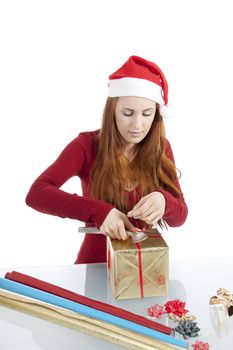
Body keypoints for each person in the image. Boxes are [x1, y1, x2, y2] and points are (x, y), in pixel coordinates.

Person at [25, 55, 188, 264]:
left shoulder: (161, 148)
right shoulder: (86, 145)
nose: (137, 125)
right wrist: (98, 211)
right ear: (112, 111)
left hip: (145, 268)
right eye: (128, 113)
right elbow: (36, 193)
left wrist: (164, 201)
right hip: (94, 266)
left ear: (156, 115)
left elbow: (181, 216)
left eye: (147, 114)